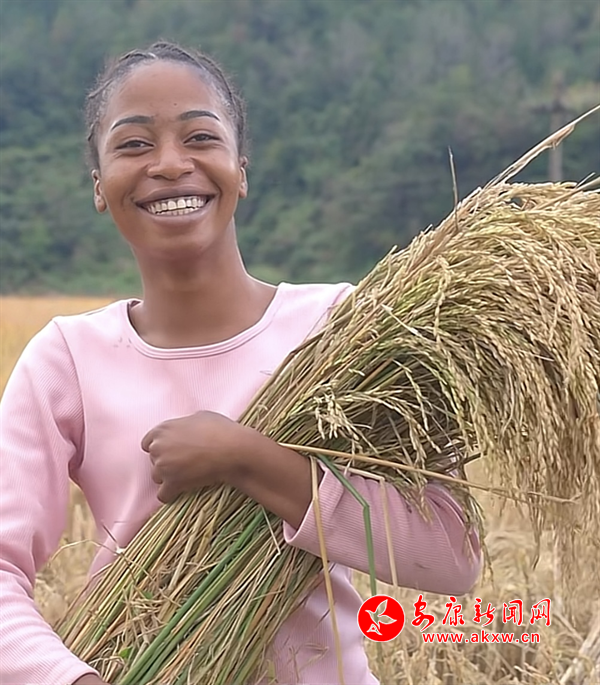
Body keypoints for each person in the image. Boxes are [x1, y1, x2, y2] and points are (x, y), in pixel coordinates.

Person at [0, 42, 481, 685]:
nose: (170, 164)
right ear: (99, 186)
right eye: (134, 145)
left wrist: (249, 460)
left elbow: (451, 554)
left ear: (240, 171)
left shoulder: (346, 330)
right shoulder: (67, 358)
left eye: (200, 137)